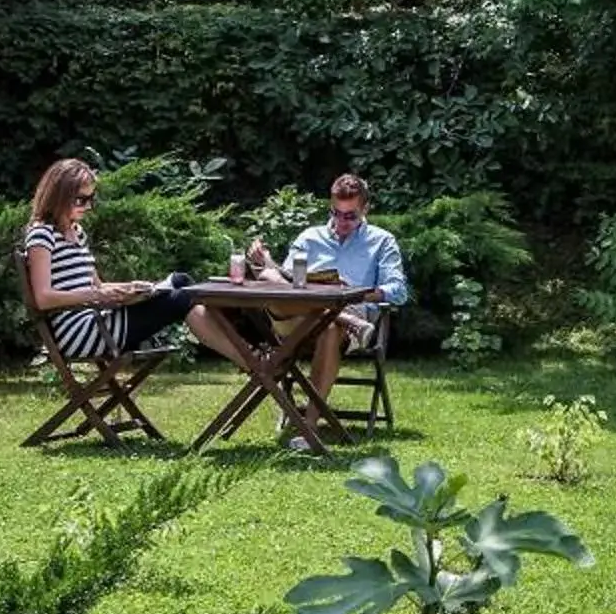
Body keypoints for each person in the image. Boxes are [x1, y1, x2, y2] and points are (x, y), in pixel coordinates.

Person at [23, 158, 251, 370]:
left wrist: (129, 289)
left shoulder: (77, 233)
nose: (88, 206)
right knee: (184, 298)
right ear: (60, 195)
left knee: (181, 281)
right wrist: (96, 296)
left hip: (96, 319)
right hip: (79, 333)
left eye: (91, 199)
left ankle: (247, 355)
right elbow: (43, 298)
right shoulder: (42, 235)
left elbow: (98, 286)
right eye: (81, 200)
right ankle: (250, 359)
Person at [251, 171, 407, 423]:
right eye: (336, 213)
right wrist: (267, 262)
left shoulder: (382, 241)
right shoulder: (310, 237)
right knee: (269, 277)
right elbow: (288, 281)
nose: (342, 221)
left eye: (351, 215)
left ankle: (309, 425)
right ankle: (346, 319)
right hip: (298, 321)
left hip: (343, 322)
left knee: (331, 328)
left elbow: (398, 292)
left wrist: (353, 294)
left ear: (365, 208)